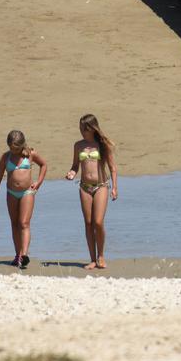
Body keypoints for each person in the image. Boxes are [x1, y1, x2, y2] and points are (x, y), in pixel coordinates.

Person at [65, 114, 117, 271]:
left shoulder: (102, 145)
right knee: (88, 223)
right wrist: (72, 173)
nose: (82, 132)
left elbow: (112, 168)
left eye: (85, 129)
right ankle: (93, 259)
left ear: (93, 129)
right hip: (84, 187)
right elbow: (75, 165)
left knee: (98, 222)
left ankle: (101, 255)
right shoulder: (78, 145)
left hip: (101, 185)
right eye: (80, 129)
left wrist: (114, 188)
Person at [0, 130, 47, 269]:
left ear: (22, 145)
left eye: (16, 148)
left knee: (24, 223)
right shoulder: (5, 157)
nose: (13, 151)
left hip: (27, 192)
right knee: (14, 223)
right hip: (11, 193)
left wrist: (38, 183)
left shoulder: (31, 154)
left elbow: (44, 165)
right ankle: (18, 255)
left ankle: (25, 255)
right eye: (11, 148)